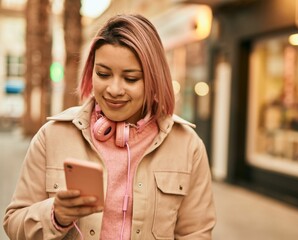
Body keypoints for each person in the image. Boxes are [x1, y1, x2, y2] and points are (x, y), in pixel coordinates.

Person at [3, 13, 216, 240]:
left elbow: (196, 234)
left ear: (154, 79)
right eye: (103, 74)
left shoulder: (188, 146)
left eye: (131, 78)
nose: (114, 89)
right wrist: (55, 216)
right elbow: (14, 224)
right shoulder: (53, 136)